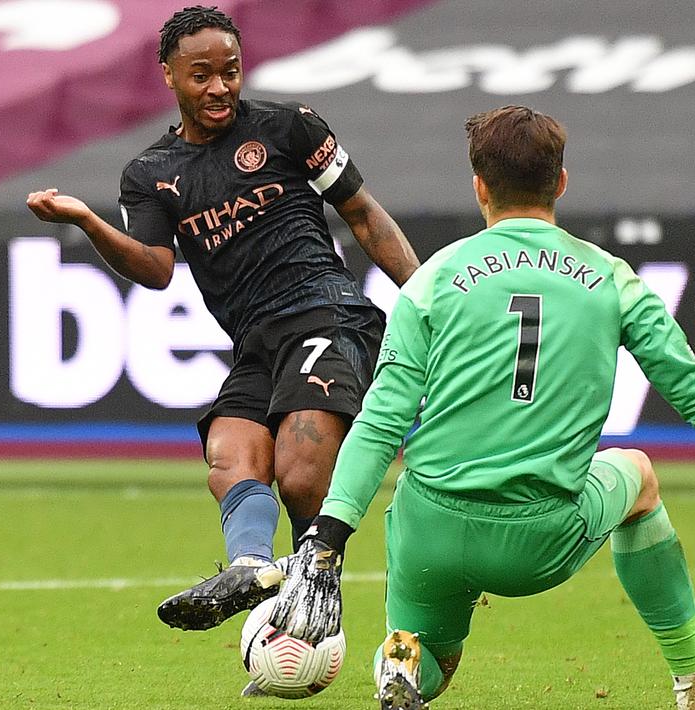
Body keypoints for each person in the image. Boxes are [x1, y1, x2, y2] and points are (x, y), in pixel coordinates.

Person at [269, 106, 695, 710]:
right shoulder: (611, 279)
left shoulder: (433, 279)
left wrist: (325, 542)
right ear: (560, 183)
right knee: (636, 473)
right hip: (537, 541)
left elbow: (382, 419)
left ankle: (400, 658)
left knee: (435, 650)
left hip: (429, 527)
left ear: (479, 187)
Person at [25, 5, 420, 635]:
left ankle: (317, 591)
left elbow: (365, 216)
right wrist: (85, 220)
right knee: (230, 455)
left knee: (300, 466)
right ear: (168, 76)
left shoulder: (290, 128)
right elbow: (155, 270)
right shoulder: (151, 175)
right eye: (201, 75)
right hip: (255, 342)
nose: (219, 88)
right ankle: (255, 568)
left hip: (328, 314)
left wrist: (426, 297)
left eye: (230, 72)